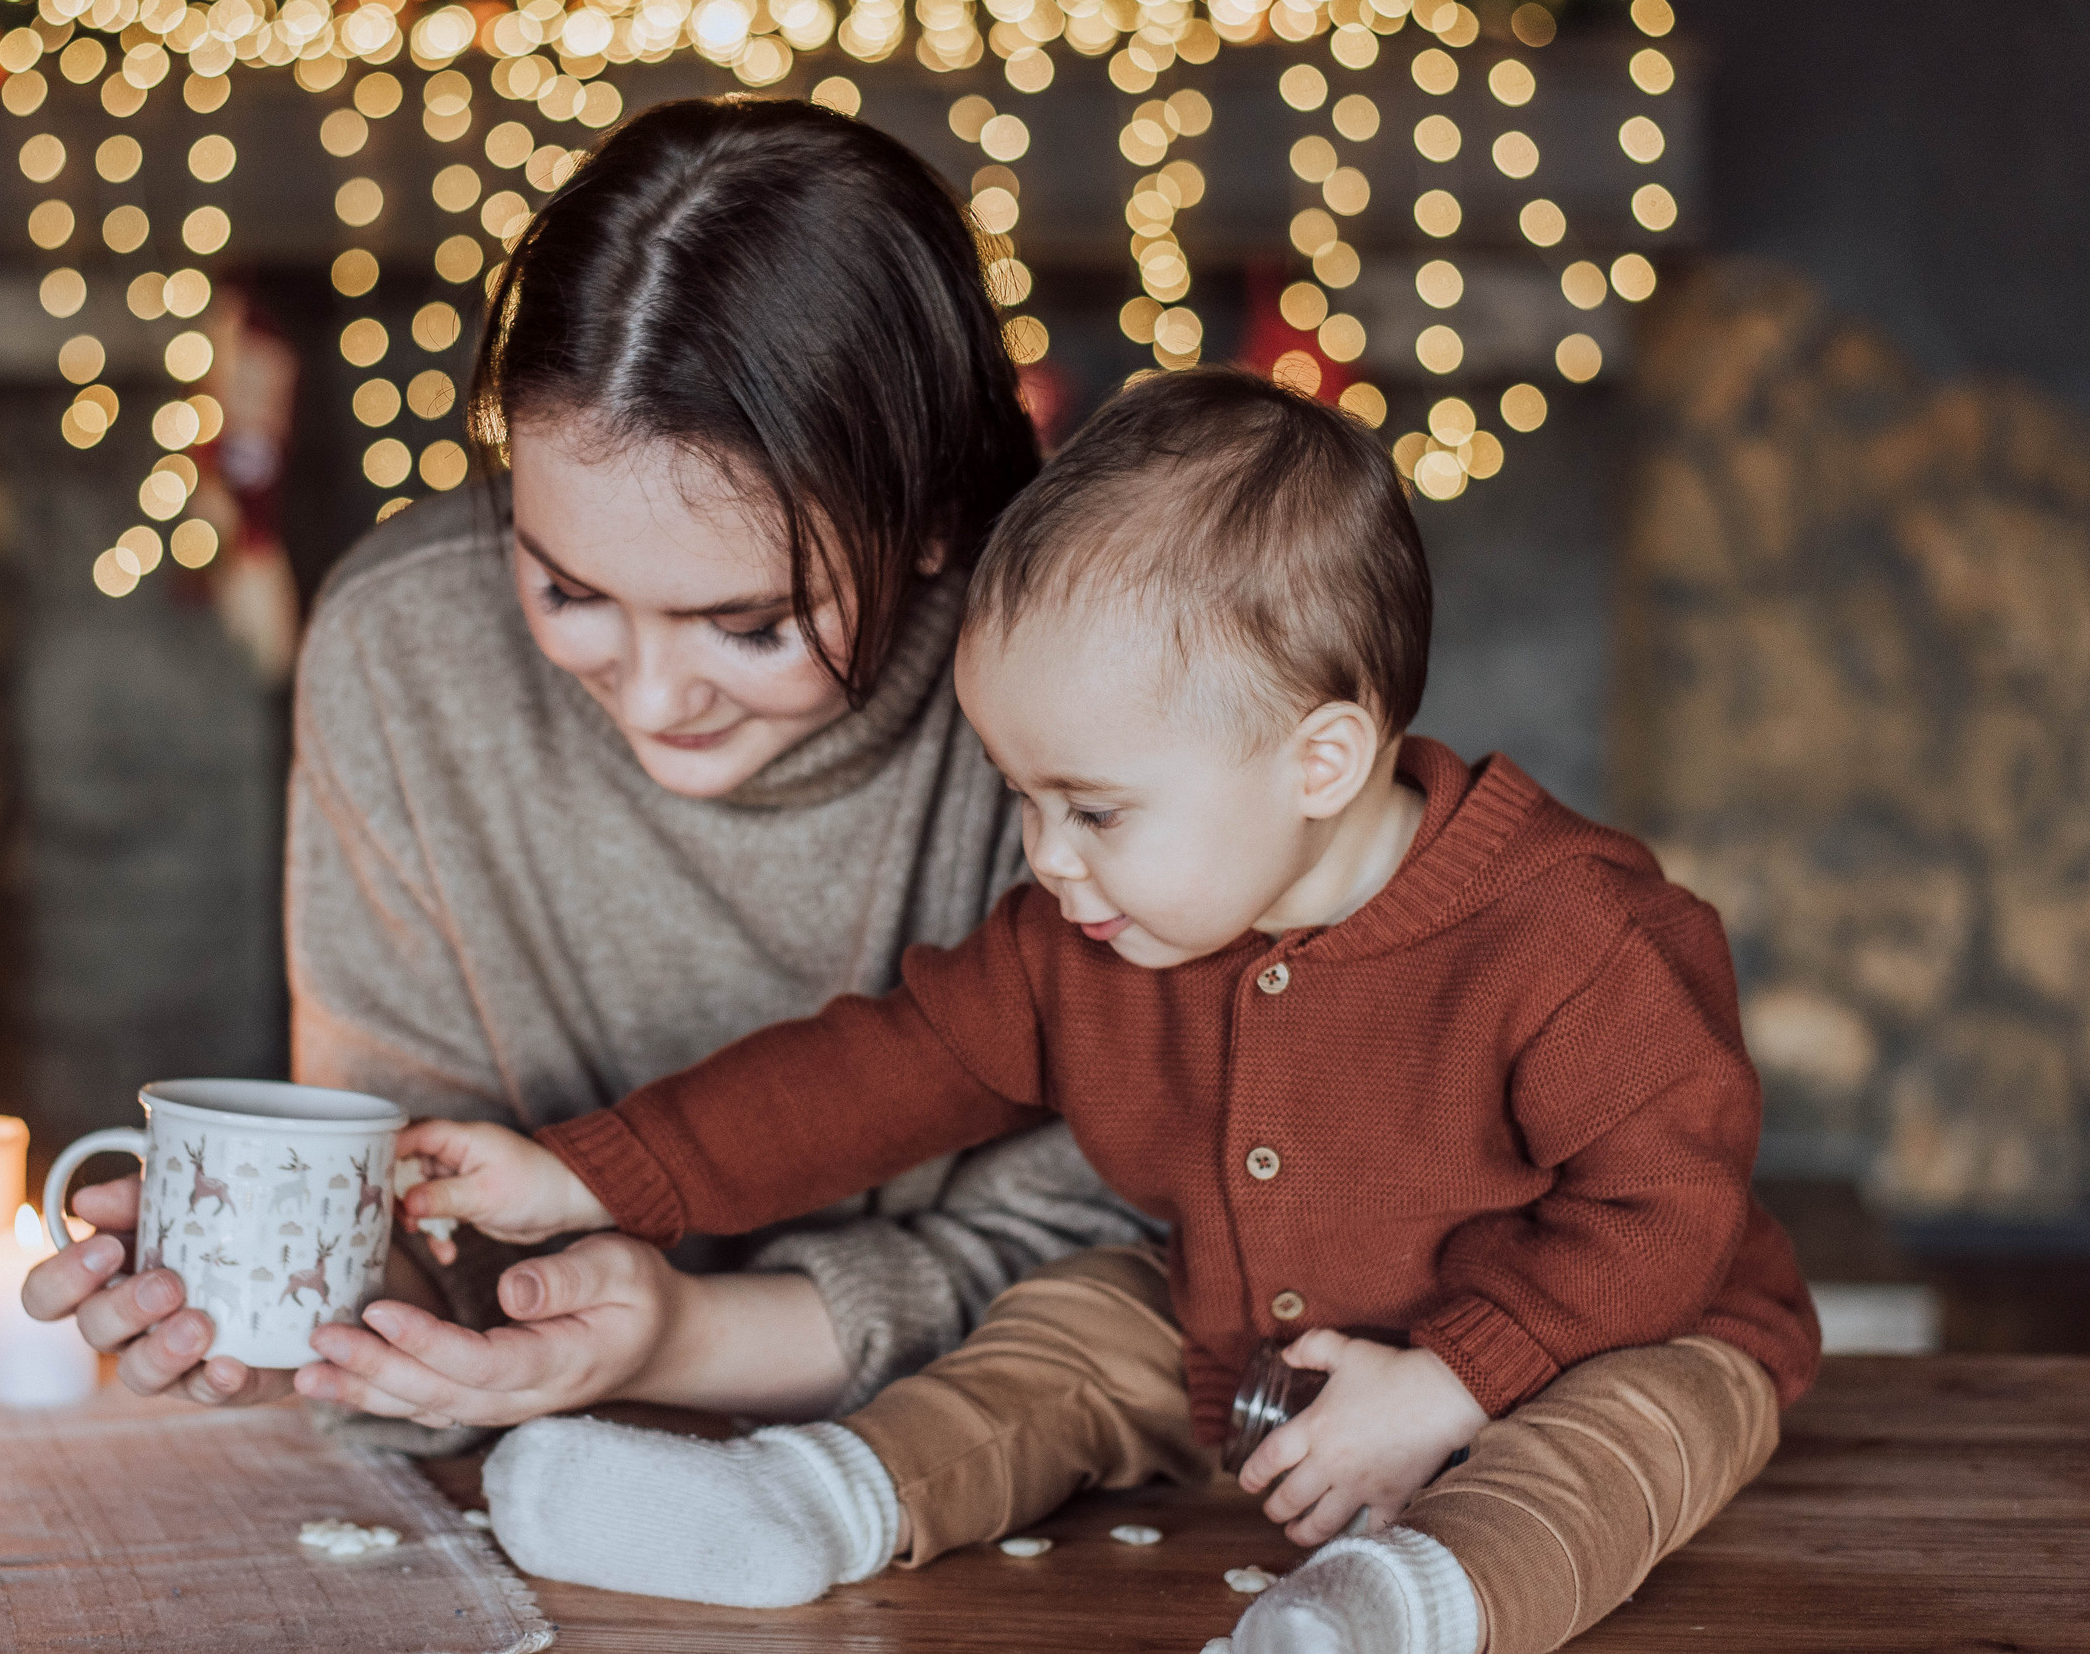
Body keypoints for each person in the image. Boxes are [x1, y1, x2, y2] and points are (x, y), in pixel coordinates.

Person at [396, 369, 1822, 1654]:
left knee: (1643, 1428)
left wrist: (1455, 1378)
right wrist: (589, 1168)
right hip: (1239, 1342)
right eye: (1024, 797)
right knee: (1067, 1324)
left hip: (1588, 1336)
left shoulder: (1579, 934)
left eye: (1094, 807)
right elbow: (876, 1072)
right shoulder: (1095, 935)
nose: (1047, 855)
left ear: (1319, 758)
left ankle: (1406, 1610)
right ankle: (811, 1502)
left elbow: (1664, 1206)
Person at [22, 97, 1154, 1439]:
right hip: (522, 1479)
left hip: (975, 1479)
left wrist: (680, 1340)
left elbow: (1125, 1271)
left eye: (751, 624)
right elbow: (424, 1222)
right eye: (568, 589)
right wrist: (302, 1305)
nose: (655, 694)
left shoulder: (1067, 685)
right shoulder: (408, 648)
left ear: (924, 522)